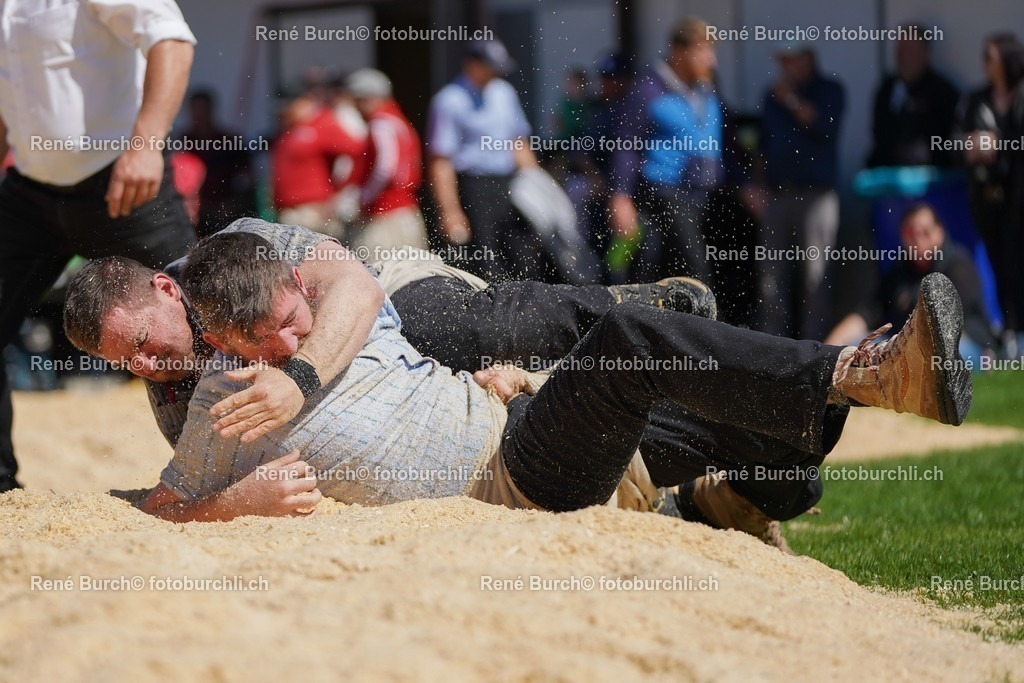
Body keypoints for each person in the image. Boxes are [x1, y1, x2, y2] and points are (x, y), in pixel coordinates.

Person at [64, 218, 846, 550]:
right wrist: (241, 499)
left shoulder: (253, 255)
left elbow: (352, 285)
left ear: (166, 292)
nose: (144, 365)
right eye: (124, 362)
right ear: (225, 338)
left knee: (471, 328)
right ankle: (730, 477)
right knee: (787, 468)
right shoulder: (202, 398)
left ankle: (631, 308)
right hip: (525, 453)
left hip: (404, 307)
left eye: (142, 342)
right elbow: (177, 497)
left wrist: (299, 373)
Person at [0, 0, 199, 494]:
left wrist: (146, 144)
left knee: (200, 315)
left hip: (122, 179)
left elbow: (171, 40)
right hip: (28, 190)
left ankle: (240, 470)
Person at [609, 17, 723, 285]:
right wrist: (621, 196)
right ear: (680, 51)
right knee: (694, 274)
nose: (711, 61)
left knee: (715, 272)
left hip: (705, 194)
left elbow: (724, 142)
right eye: (703, 51)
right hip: (666, 194)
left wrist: (746, 183)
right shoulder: (648, 90)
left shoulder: (706, 88)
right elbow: (626, 145)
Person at [426, 38, 541, 281]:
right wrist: (450, 211)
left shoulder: (504, 93)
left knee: (523, 255)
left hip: (509, 183)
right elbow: (441, 160)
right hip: (474, 187)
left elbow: (519, 141)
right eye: (490, 66)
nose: (495, 72)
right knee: (486, 261)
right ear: (472, 64)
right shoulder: (449, 101)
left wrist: (537, 185)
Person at [825, 202, 996, 365]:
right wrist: (831, 348)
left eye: (925, 232)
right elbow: (867, 314)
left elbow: (946, 329)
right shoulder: (899, 272)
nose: (918, 240)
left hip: (963, 346)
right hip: (906, 349)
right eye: (912, 234)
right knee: (856, 349)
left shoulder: (958, 267)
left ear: (939, 231)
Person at [753, 44, 845, 339]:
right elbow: (763, 146)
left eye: (792, 60)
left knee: (816, 275)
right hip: (778, 195)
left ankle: (815, 345)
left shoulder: (830, 90)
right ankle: (773, 342)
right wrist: (759, 187)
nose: (786, 67)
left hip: (816, 195)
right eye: (783, 61)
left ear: (809, 59)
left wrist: (791, 100)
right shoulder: (771, 96)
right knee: (771, 277)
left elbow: (822, 127)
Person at [957, 33, 1024, 355]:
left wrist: (999, 143)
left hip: (1019, 196)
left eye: (990, 56)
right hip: (989, 198)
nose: (984, 62)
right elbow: (953, 140)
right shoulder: (977, 99)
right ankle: (1007, 333)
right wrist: (969, 147)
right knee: (998, 265)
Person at [344, 69, 429, 257]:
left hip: (386, 216)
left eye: (358, 100)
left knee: (378, 270)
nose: (356, 107)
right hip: (404, 212)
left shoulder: (381, 124)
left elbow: (385, 168)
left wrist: (363, 198)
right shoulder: (398, 121)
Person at [271, 90, 366, 237]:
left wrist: (340, 191)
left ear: (305, 103)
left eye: (290, 106)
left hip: (312, 210)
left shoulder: (322, 124)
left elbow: (359, 153)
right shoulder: (289, 128)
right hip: (288, 211)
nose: (285, 111)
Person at [867, 23, 960, 168]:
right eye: (900, 50)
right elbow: (879, 135)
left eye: (910, 51)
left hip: (932, 175)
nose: (903, 57)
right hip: (888, 173)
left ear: (926, 54)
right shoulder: (886, 90)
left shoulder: (944, 93)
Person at [177, 90, 257, 237]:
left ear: (211, 110)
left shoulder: (230, 141)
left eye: (203, 109)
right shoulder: (182, 143)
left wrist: (234, 203)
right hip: (194, 214)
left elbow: (247, 179)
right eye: (195, 110)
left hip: (226, 211)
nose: (199, 115)